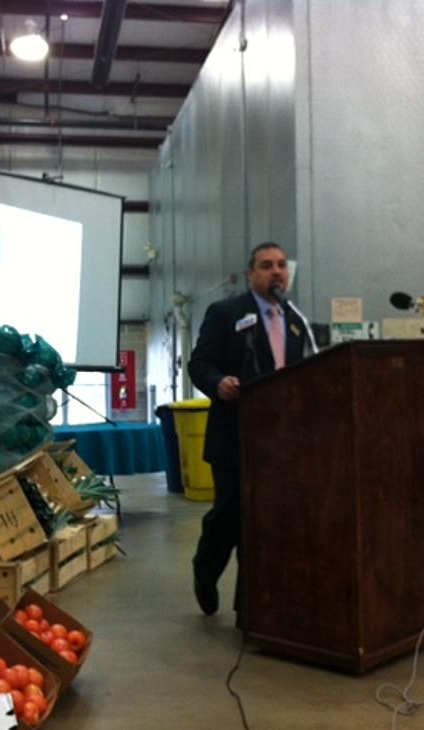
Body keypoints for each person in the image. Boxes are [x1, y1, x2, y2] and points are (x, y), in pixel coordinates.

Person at [187, 242, 308, 615]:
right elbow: (200, 364)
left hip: (280, 441)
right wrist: (220, 383)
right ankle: (205, 570)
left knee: (270, 520)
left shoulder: (295, 321)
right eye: (267, 266)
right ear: (251, 274)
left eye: (281, 266)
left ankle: (253, 603)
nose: (276, 272)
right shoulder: (225, 313)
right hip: (234, 437)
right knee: (230, 517)